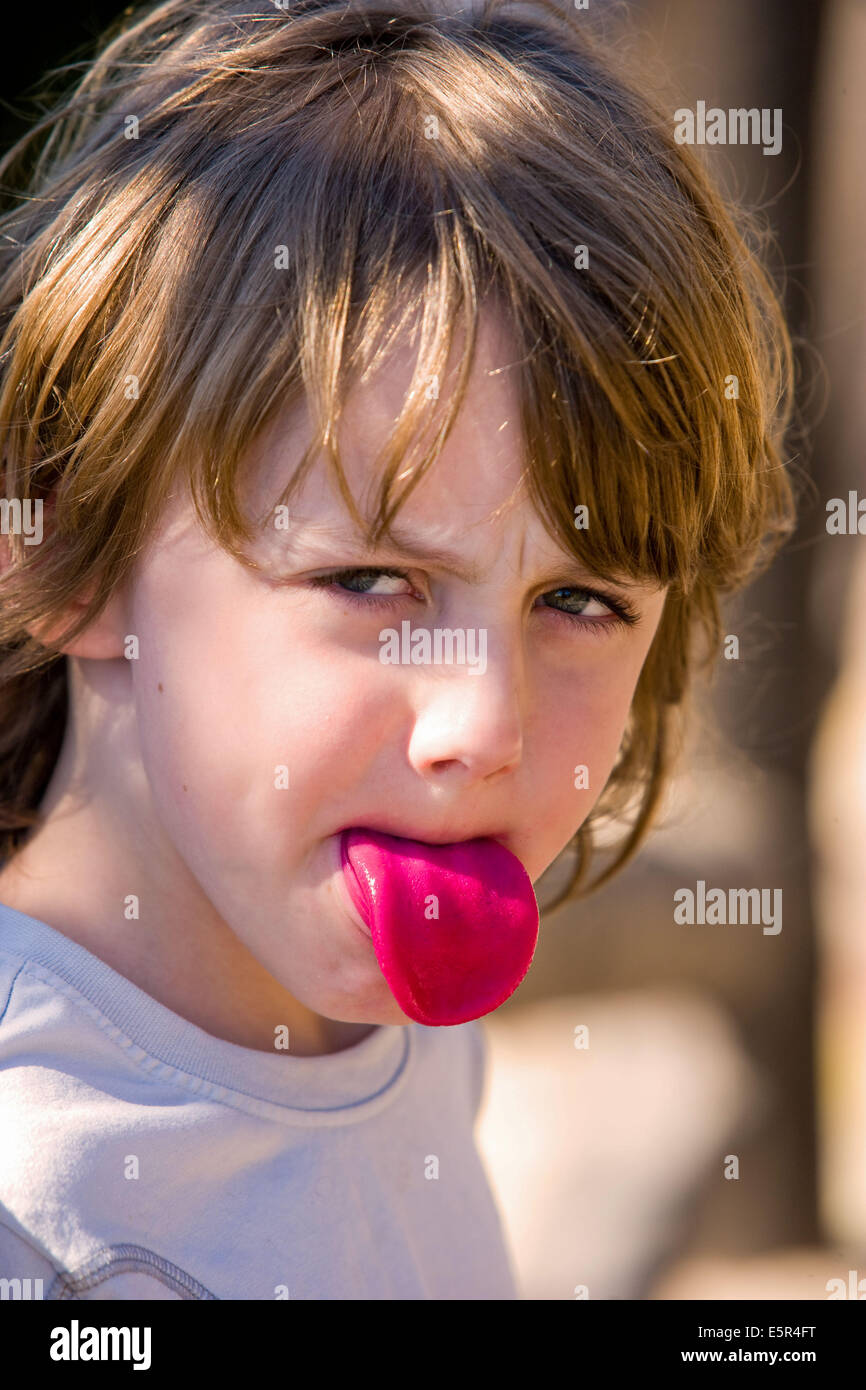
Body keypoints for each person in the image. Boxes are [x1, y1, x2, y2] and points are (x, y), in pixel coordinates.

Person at [0, 0, 797, 1298]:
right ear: (62, 546)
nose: (482, 724)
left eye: (580, 601)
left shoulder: (415, 1040)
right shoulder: (31, 1199)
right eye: (372, 578)